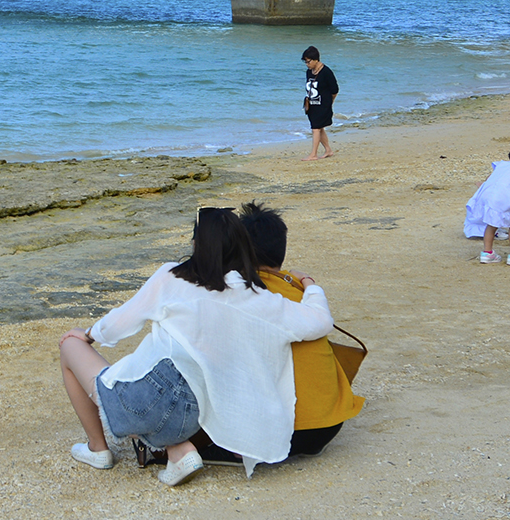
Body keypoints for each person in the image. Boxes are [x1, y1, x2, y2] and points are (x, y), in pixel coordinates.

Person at [58, 207, 333, 485]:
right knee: (182, 382)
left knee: (70, 347)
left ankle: (98, 448)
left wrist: (90, 334)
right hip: (196, 415)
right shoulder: (255, 297)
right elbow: (319, 321)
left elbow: (121, 322)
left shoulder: (172, 275)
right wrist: (309, 284)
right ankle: (179, 451)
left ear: (195, 244)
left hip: (153, 401)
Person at [243, 202, 364, 455]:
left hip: (280, 433)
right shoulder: (296, 287)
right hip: (328, 427)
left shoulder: (242, 293)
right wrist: (308, 281)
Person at [301, 46, 338, 160]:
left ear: (316, 59)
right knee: (319, 128)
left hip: (323, 104)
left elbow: (335, 90)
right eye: (305, 62)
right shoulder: (309, 72)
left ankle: (313, 154)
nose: (307, 64)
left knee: (316, 128)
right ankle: (328, 150)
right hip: (312, 104)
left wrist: (330, 103)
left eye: (308, 61)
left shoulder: (326, 72)